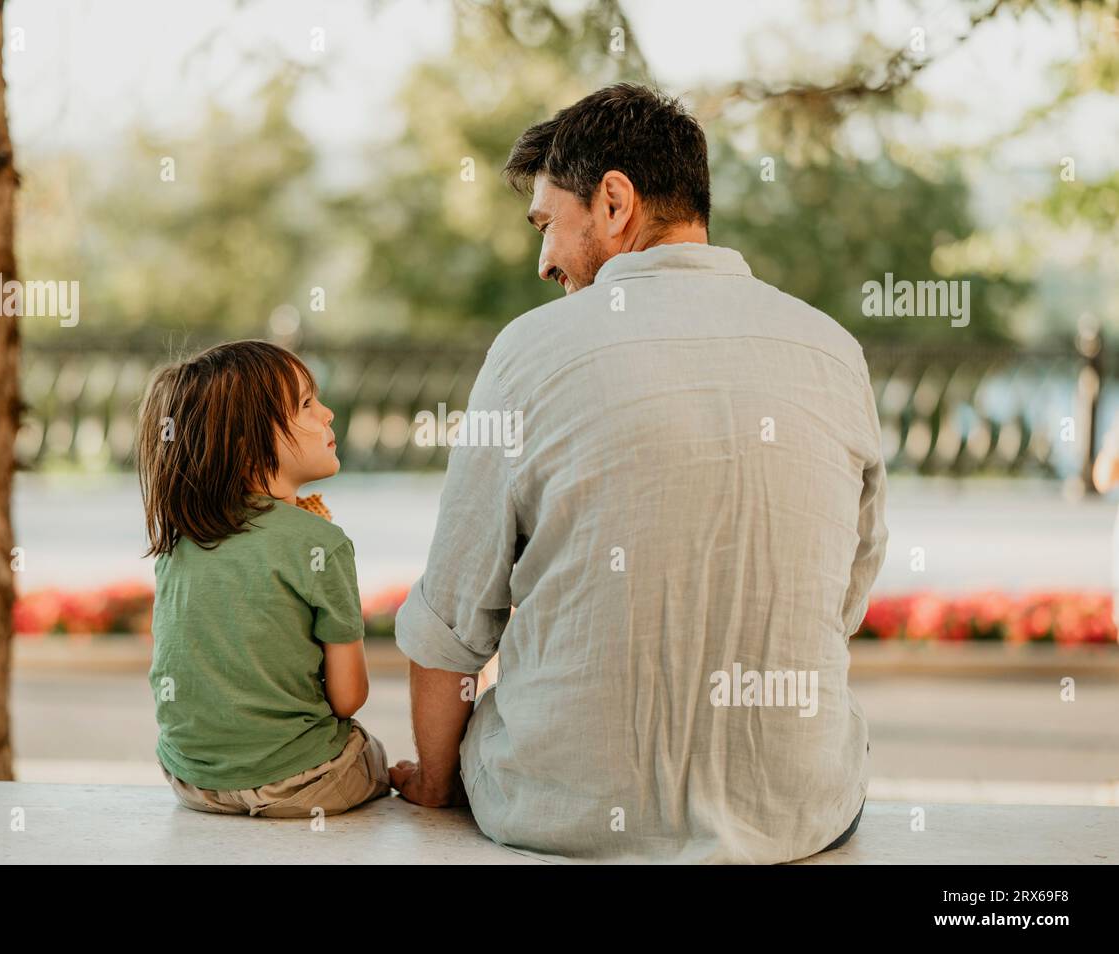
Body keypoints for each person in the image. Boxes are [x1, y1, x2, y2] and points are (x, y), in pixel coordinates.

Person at [391, 84, 887, 862]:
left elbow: (453, 624)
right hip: (797, 813)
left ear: (614, 201)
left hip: (561, 810)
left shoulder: (531, 350)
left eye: (548, 224)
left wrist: (431, 778)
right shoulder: (833, 349)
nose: (544, 259)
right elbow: (845, 594)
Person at [137, 339, 391, 817]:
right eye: (307, 404)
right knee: (369, 753)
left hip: (192, 781)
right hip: (300, 784)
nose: (328, 414)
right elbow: (348, 698)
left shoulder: (180, 541)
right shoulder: (319, 541)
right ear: (247, 443)